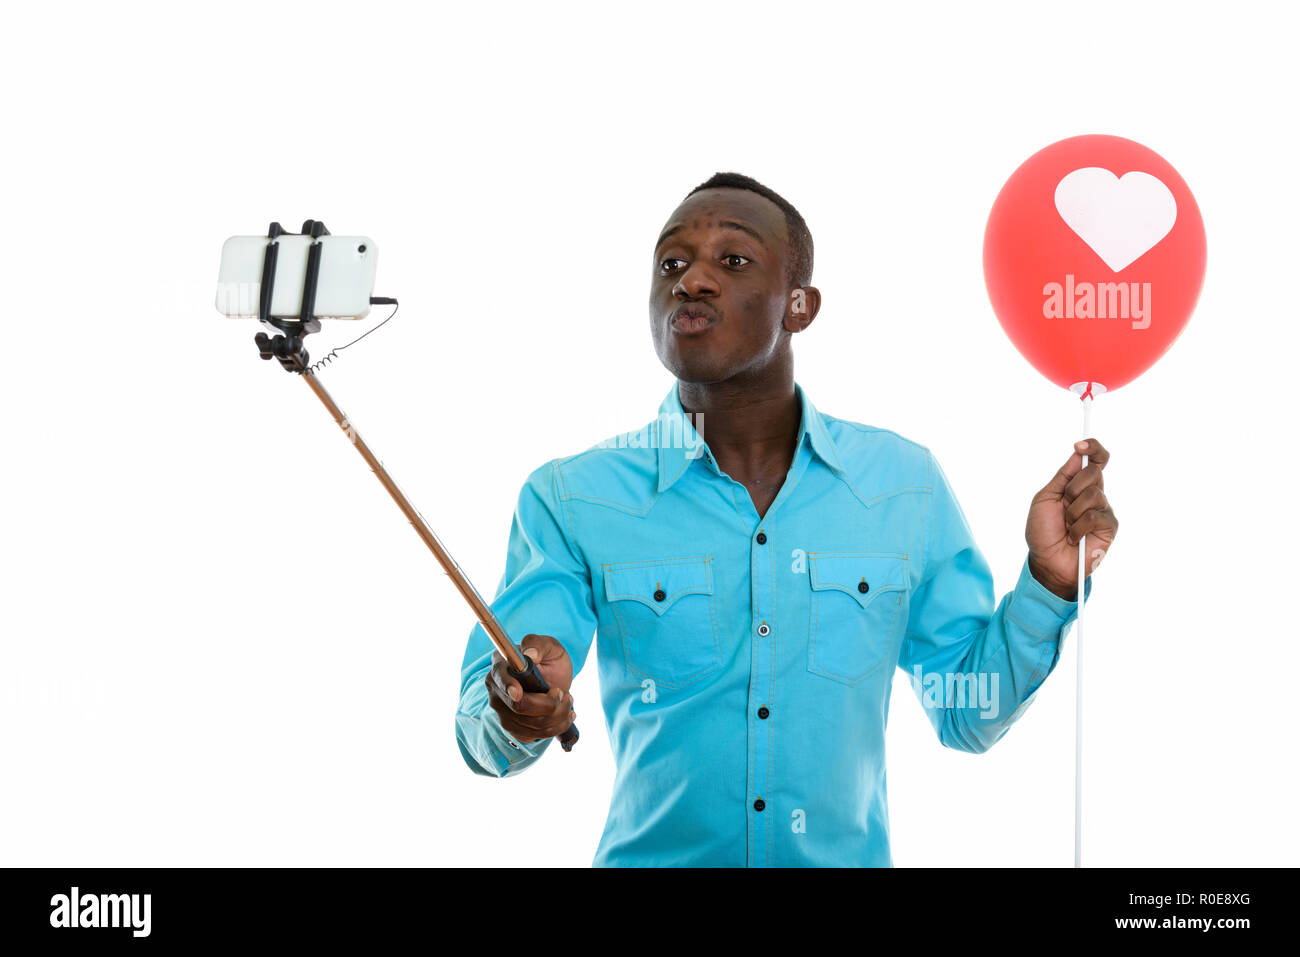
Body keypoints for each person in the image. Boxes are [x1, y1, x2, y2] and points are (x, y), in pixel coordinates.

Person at [454, 172, 1118, 867]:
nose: (691, 282)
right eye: (671, 264)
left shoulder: (903, 485)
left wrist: (1048, 580)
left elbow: (968, 714)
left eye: (732, 261)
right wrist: (514, 707)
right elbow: (485, 722)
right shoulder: (572, 497)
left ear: (800, 306)